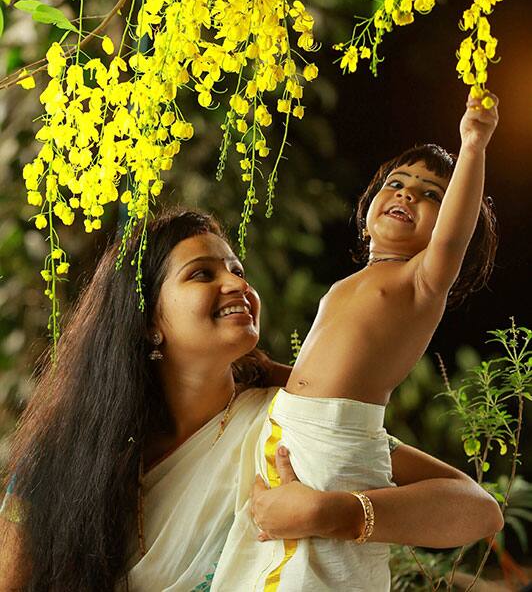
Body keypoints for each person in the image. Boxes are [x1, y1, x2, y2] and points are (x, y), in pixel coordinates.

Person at [0, 96, 502, 590]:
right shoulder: (67, 461)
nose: (238, 285)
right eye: (202, 274)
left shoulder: (282, 427)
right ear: (148, 321)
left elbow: (476, 510)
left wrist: (340, 513)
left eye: (238, 271)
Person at [211, 93, 501, 591]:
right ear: (368, 206)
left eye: (431, 194)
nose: (408, 194)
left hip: (337, 443)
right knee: (266, 571)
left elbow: (451, 240)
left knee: (316, 574)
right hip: (299, 431)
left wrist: (473, 144)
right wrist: (270, 373)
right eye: (397, 183)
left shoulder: (420, 280)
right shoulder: (352, 283)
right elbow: (323, 374)